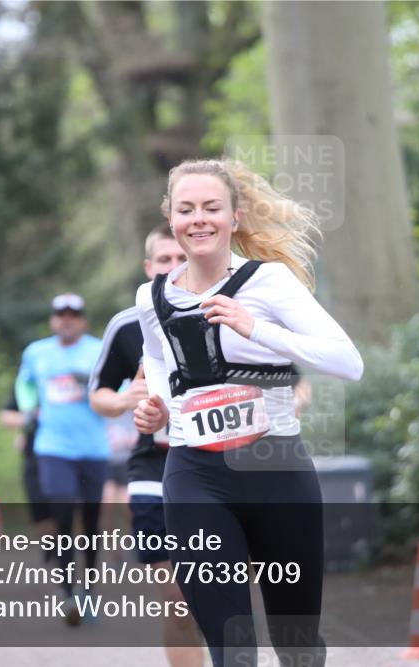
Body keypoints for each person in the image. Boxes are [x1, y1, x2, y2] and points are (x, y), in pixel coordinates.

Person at [133, 159, 364, 667]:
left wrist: (254, 329)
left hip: (276, 471)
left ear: (234, 217)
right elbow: (158, 362)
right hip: (196, 477)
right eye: (187, 208)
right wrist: (158, 412)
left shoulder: (271, 283)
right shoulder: (151, 298)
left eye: (212, 208)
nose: (200, 219)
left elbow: (349, 363)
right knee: (231, 649)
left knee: (297, 648)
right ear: (170, 217)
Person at [89, 223, 204, 667]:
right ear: (148, 267)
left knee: (216, 594)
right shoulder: (127, 324)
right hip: (153, 468)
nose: (173, 268)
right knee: (177, 597)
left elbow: (287, 378)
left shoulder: (226, 311)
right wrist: (123, 399)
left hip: (222, 467)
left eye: (182, 258)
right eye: (164, 260)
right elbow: (97, 394)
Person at [15, 292, 109, 624]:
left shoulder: (99, 350)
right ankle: (68, 592)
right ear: (53, 319)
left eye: (73, 314)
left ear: (83, 320)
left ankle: (90, 590)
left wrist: (95, 388)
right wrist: (28, 409)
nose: (66, 319)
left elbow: (121, 388)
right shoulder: (36, 353)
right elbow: (24, 386)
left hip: (94, 448)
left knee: (93, 521)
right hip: (52, 446)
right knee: (63, 512)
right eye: (60, 314)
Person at [0, 387, 55, 548]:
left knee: (65, 508)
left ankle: (65, 553)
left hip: (68, 456)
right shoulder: (28, 386)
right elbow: (5, 416)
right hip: (33, 457)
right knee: (40, 514)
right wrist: (30, 419)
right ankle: (51, 550)